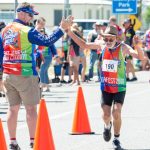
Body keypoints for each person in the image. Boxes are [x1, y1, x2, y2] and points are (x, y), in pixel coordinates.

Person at [0, 2, 72, 150]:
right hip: (25, 74)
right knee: (31, 109)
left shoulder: (4, 31)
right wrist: (61, 29)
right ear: (21, 13)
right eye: (30, 14)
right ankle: (34, 142)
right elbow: (47, 41)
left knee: (12, 109)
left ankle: (13, 142)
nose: (31, 18)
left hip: (8, 74)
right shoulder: (28, 31)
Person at [67, 25, 145, 150]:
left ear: (116, 38)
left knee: (116, 113)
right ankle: (107, 126)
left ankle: (116, 139)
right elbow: (84, 45)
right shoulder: (102, 46)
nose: (107, 42)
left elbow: (140, 57)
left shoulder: (123, 48)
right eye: (106, 39)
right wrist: (69, 31)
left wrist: (138, 46)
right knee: (106, 115)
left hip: (119, 87)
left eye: (110, 39)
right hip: (106, 87)